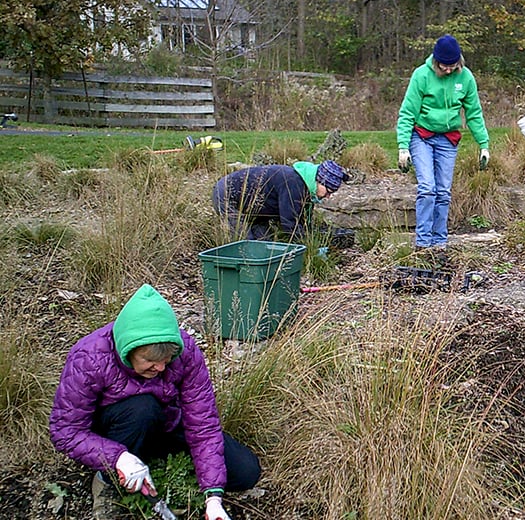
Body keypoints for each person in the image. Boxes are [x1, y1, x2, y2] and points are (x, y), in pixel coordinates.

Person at [50, 284, 261, 520]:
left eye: (167, 360)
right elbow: (65, 431)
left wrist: (213, 497)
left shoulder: (186, 352)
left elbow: (203, 425)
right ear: (127, 350)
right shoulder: (89, 357)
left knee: (246, 471)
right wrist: (117, 458)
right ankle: (107, 482)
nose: (160, 368)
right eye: (150, 360)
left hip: (167, 421)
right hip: (118, 429)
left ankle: (159, 467)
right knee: (143, 409)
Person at [396, 34, 490, 250]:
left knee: (443, 192)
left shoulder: (465, 78)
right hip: (422, 136)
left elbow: (474, 113)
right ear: (435, 61)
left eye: (452, 65)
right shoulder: (421, 76)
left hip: (448, 139)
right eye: (443, 66)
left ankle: (439, 243)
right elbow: (407, 113)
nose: (448, 70)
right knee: (428, 188)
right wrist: (403, 146)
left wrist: (483, 144)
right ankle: (422, 243)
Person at [212, 159, 347, 241]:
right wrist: (310, 245)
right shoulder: (294, 184)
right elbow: (290, 224)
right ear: (319, 181)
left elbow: (303, 221)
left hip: (257, 210)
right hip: (227, 194)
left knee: (265, 243)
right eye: (328, 191)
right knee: (247, 244)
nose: (328, 196)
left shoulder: (306, 189)